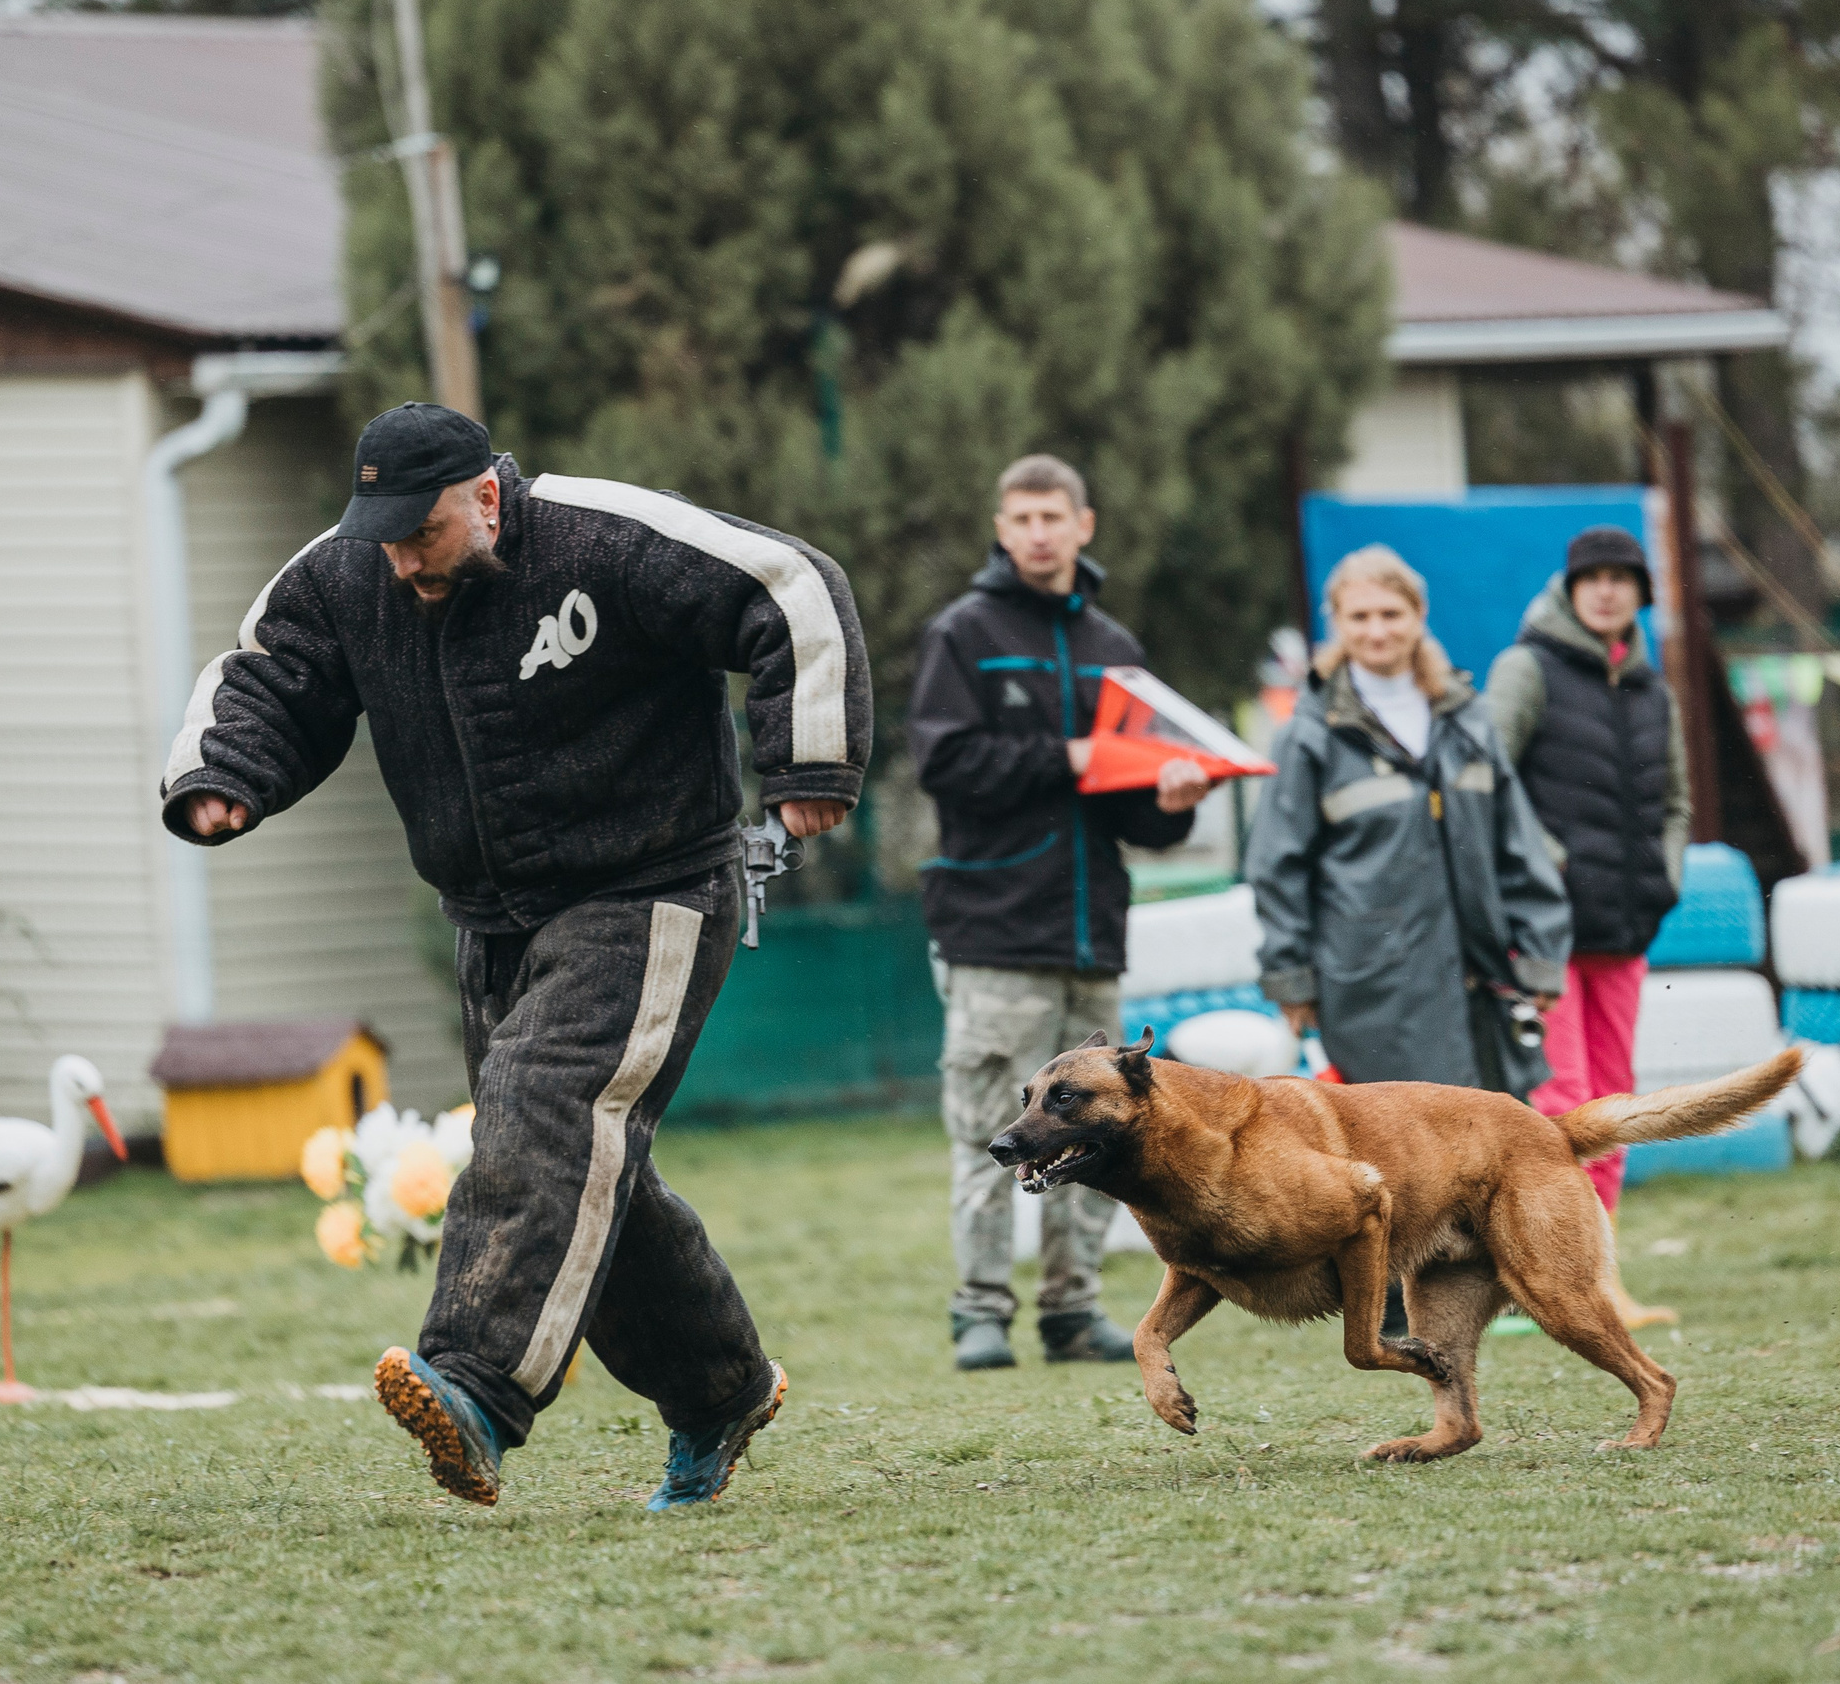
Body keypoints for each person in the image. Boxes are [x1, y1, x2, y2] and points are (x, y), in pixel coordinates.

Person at [162, 402, 874, 1505]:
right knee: (589, 1170)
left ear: (487, 499)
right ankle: (719, 1386)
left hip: (652, 889)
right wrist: (223, 775)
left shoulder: (603, 537)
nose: (403, 563)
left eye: (426, 535)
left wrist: (809, 765)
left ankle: (476, 1388)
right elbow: (267, 669)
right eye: (385, 538)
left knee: (543, 1109)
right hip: (490, 913)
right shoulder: (349, 574)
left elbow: (791, 584)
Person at [909, 453, 1213, 1373]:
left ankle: (1074, 1312)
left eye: (1055, 516)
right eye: (1022, 517)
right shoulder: (964, 633)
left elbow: (1130, 810)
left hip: (1091, 933)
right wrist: (1071, 755)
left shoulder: (1115, 647)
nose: (1039, 532)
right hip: (993, 929)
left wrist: (1173, 799)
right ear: (1002, 529)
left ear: (1086, 524)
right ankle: (981, 1313)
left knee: (1101, 1134)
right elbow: (945, 762)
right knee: (986, 1129)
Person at [1247, 545, 1571, 1099]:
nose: (1377, 631)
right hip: (1370, 989)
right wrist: (1291, 980)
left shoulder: (1467, 720)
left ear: (1420, 617)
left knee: (1487, 1147)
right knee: (1405, 1159)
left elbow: (1517, 844)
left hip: (1480, 983)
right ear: (1337, 625)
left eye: (1391, 614)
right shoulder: (1310, 735)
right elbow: (1278, 867)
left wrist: (1541, 955)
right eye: (1360, 617)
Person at [1485, 527, 1691, 1328]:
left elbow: (1677, 798)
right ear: (1570, 588)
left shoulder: (1650, 686)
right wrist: (1546, 863)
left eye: (1622, 578)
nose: (1606, 590)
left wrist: (1665, 870)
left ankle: (1598, 1280)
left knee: (1615, 1109)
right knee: (1560, 1102)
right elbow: (1488, 781)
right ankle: (1538, 1278)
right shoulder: (1525, 667)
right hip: (1542, 930)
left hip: (1625, 927)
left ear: (1641, 592)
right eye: (1592, 578)